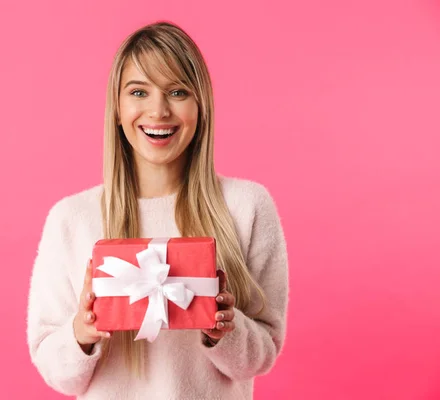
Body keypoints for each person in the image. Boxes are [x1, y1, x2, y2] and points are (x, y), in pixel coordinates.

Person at [26, 21, 289, 400]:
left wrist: (226, 331)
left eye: (177, 91)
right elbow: (57, 371)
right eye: (139, 91)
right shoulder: (71, 219)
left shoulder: (247, 207)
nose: (158, 110)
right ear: (117, 108)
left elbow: (262, 355)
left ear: (201, 106)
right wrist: (82, 333)